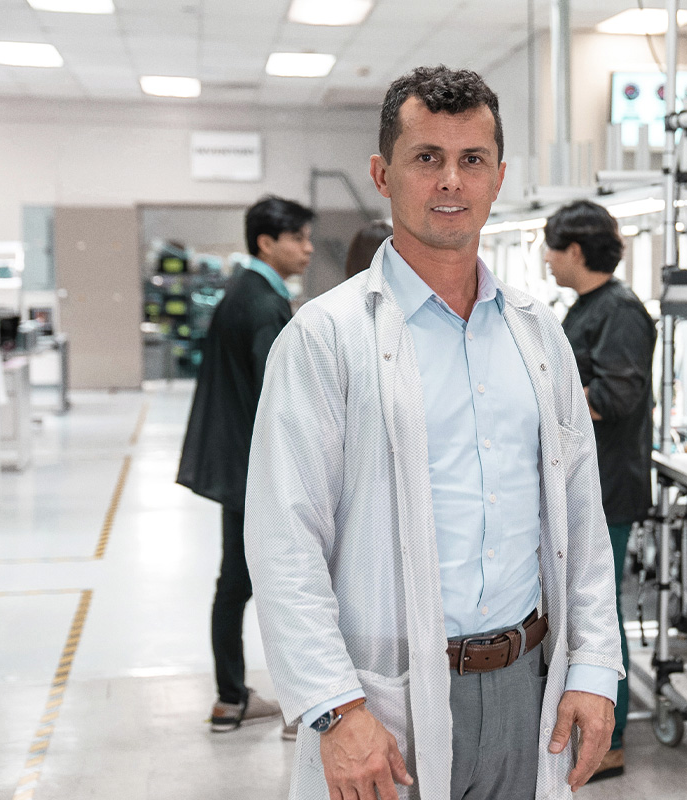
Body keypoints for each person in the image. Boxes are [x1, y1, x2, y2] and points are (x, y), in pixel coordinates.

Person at [244, 65, 623, 800]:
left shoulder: (538, 333)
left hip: (527, 687)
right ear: (384, 175)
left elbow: (582, 515)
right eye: (428, 159)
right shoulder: (326, 339)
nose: (451, 180)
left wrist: (594, 666)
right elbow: (284, 541)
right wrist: (336, 708)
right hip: (385, 700)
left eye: (471, 160)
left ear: (498, 177)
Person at [175, 195, 315, 737]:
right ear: (266, 242)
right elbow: (277, 398)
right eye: (298, 239)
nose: (306, 249)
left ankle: (230, 699)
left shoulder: (243, 292)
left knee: (236, 582)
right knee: (284, 582)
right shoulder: (263, 306)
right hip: (255, 471)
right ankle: (298, 709)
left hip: (237, 464)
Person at [544, 199, 656, 781]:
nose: (546, 258)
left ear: (577, 252)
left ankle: (614, 735)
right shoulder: (587, 307)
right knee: (584, 607)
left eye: (552, 247)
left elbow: (615, 397)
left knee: (599, 611)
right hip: (585, 483)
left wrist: (541, 409)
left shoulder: (623, 312)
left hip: (610, 485)